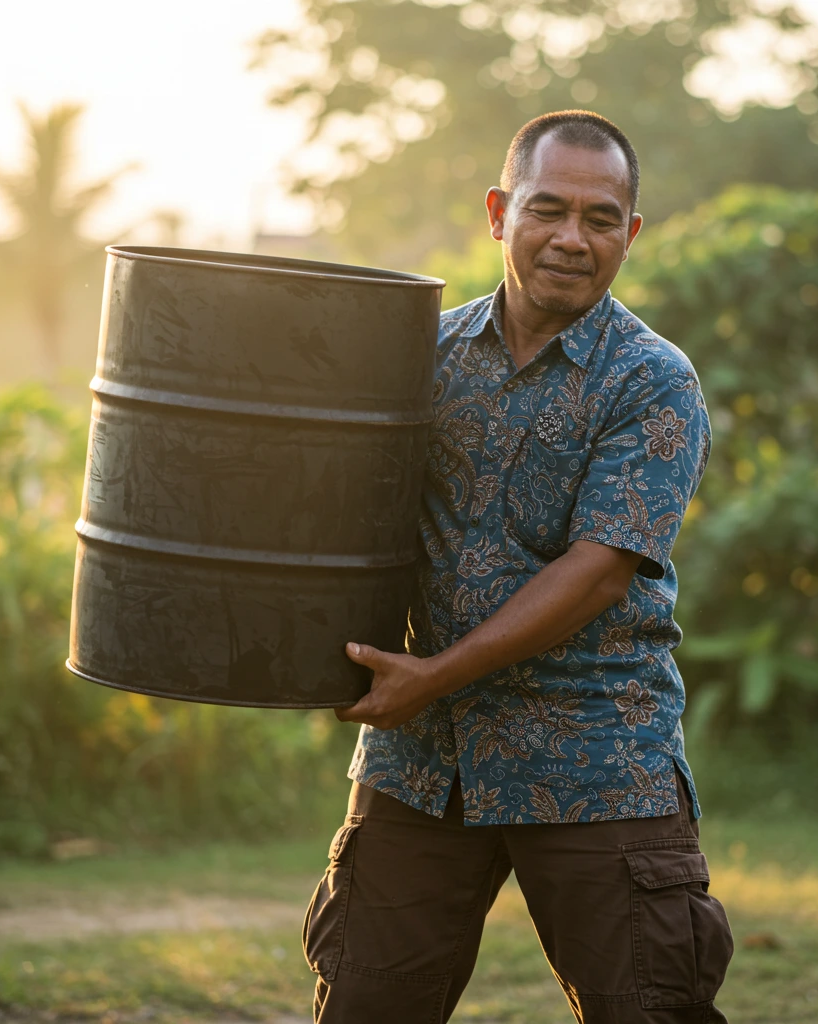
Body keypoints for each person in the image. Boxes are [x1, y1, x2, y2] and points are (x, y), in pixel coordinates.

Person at [303, 109, 734, 1024]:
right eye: (548, 209)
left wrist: (434, 676)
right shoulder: (419, 356)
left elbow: (599, 571)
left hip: (597, 757)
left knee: (648, 1007)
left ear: (630, 234)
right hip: (422, 763)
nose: (573, 238)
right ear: (500, 213)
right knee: (366, 1006)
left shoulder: (653, 381)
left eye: (601, 218)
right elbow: (340, 509)